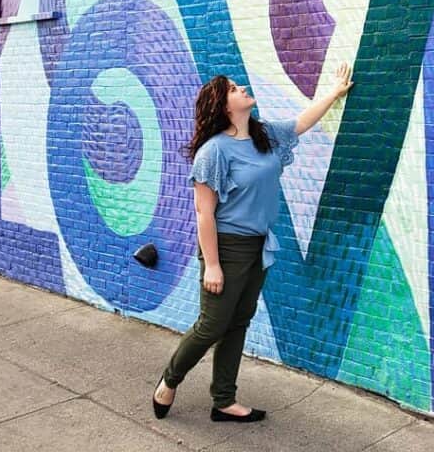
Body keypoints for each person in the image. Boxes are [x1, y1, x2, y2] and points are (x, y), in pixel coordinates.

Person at [152, 62, 354, 423]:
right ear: (223, 105)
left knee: (238, 321)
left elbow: (301, 123)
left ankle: (224, 400)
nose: (242, 87)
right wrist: (211, 264)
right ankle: (169, 380)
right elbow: (204, 214)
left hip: (257, 245)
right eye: (233, 88)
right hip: (225, 248)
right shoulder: (214, 152)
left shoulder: (263, 136)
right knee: (212, 325)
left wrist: (334, 92)